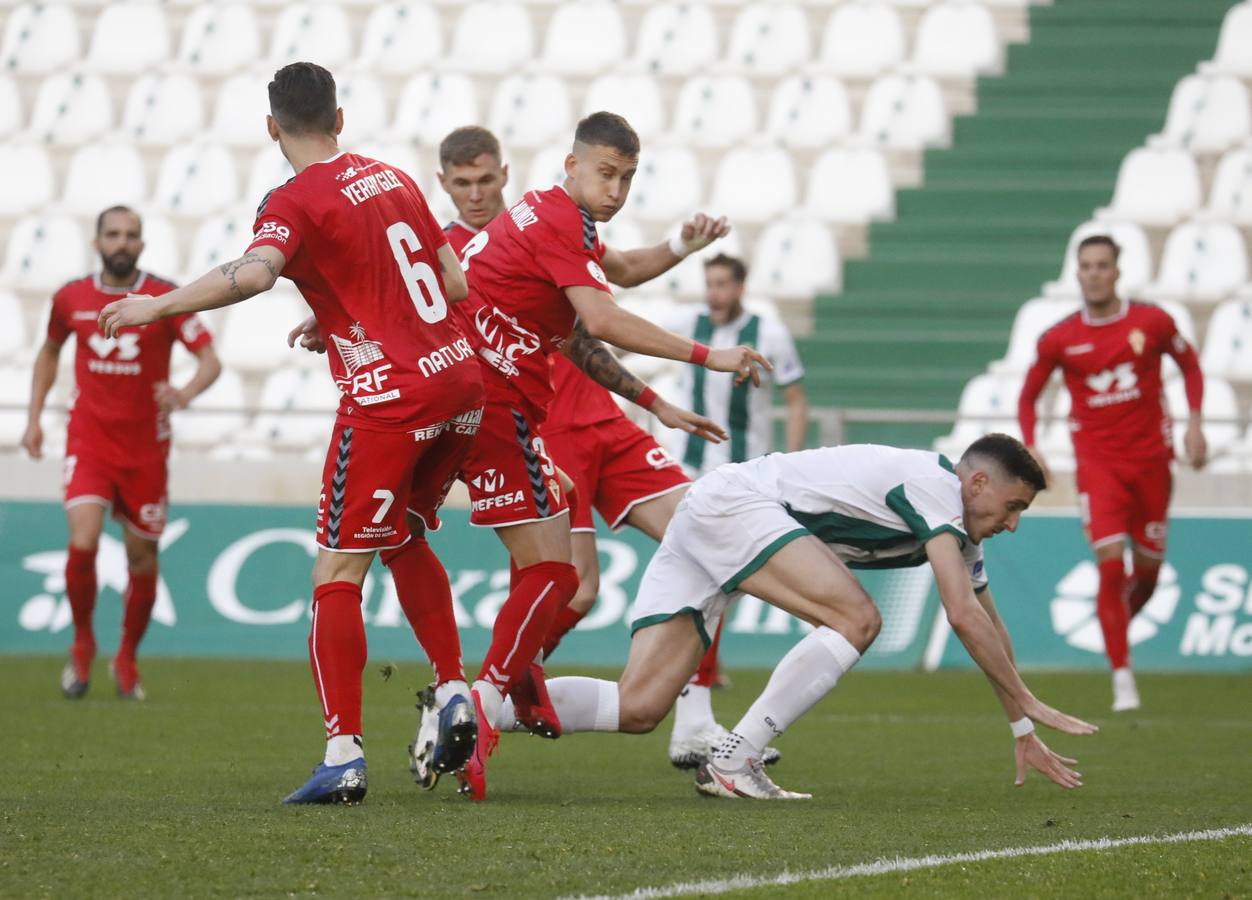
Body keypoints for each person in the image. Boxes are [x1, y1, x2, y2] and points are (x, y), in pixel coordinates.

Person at [99, 62, 484, 806]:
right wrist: (337, 308)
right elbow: (453, 284)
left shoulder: (293, 198)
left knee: (336, 576)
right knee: (404, 534)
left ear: (271, 128)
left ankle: (343, 752)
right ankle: (455, 687)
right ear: (339, 118)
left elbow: (254, 272)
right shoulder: (396, 177)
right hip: (459, 383)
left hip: (390, 400)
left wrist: (157, 306)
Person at [403, 125, 774, 784]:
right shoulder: (459, 247)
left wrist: (653, 397)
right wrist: (706, 356)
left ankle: (691, 715)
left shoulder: (557, 224)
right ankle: (475, 702)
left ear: (505, 176)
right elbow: (594, 319)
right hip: (532, 424)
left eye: (487, 179)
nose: (477, 192)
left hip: (600, 418)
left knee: (716, 535)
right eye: (463, 183)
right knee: (567, 582)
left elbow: (596, 307)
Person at [498, 435, 1099, 800]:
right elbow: (962, 614)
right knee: (857, 620)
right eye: (1012, 506)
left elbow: (988, 624)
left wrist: (1022, 724)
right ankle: (735, 760)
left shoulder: (961, 533)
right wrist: (1026, 697)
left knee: (639, 707)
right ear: (976, 482)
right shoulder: (936, 485)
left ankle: (477, 709)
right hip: (736, 505)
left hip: (712, 510)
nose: (1014, 523)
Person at [22, 205, 220, 702]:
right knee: (83, 540)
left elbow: (209, 359)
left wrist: (184, 394)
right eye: (113, 234)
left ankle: (127, 657)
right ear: (97, 243)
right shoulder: (71, 297)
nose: (122, 243)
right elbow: (48, 351)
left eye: (131, 235)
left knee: (141, 558)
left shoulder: (166, 297)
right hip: (89, 440)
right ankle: (83, 644)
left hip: (145, 449)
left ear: (143, 244)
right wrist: (33, 419)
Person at [1017, 235, 1206, 713]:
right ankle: (1123, 679)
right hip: (1099, 468)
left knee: (1146, 576)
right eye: (1086, 265)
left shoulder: (1152, 322)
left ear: (1117, 271)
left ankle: (1114, 626)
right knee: (1109, 564)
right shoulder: (1059, 337)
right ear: (1076, 273)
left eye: (1103, 265)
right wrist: (1032, 446)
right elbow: (1028, 396)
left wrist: (1195, 423)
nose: (1095, 273)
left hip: (1152, 465)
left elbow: (1190, 364)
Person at [657, 252, 809, 763]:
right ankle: (692, 710)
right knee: (715, 588)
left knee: (718, 589)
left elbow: (795, 398)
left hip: (749, 478)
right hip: (694, 475)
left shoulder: (769, 333)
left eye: (723, 283)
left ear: (741, 286)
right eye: (710, 283)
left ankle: (692, 709)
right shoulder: (690, 326)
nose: (714, 293)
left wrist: (789, 463)